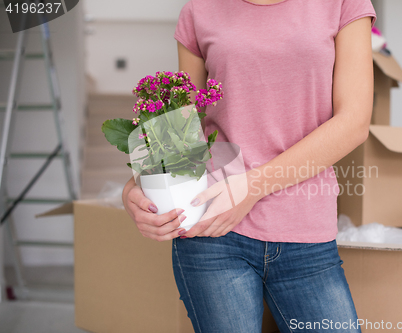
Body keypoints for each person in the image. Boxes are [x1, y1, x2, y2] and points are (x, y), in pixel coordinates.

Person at [122, 0, 376, 332]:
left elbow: (354, 122)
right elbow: (186, 125)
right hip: (212, 224)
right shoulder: (199, 10)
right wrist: (137, 185)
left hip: (306, 230)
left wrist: (253, 187)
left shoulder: (343, 3)